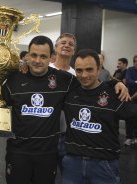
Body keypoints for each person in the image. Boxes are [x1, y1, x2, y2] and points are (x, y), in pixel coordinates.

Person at [0, 35, 128, 184]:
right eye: (34, 55)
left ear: (51, 57)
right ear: (27, 56)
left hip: (48, 154)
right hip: (18, 152)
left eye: (43, 56)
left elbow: (89, 80)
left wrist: (115, 83)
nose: (37, 60)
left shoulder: (64, 80)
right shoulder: (14, 79)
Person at [62, 49, 137, 184]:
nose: (84, 75)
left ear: (99, 70)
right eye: (79, 70)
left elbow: (133, 113)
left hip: (104, 165)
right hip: (72, 164)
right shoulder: (69, 90)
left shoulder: (114, 94)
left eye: (89, 69)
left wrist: (117, 83)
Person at [49, 33, 76, 173]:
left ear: (74, 51)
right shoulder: (44, 69)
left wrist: (116, 83)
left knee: (68, 175)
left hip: (67, 134)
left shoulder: (77, 75)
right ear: (56, 47)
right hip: (45, 132)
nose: (67, 45)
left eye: (71, 44)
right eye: (63, 42)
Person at [124, 55, 137, 146]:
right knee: (129, 118)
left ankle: (135, 137)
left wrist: (134, 82)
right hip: (130, 98)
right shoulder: (129, 70)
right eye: (135, 61)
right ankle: (129, 138)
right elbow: (128, 81)